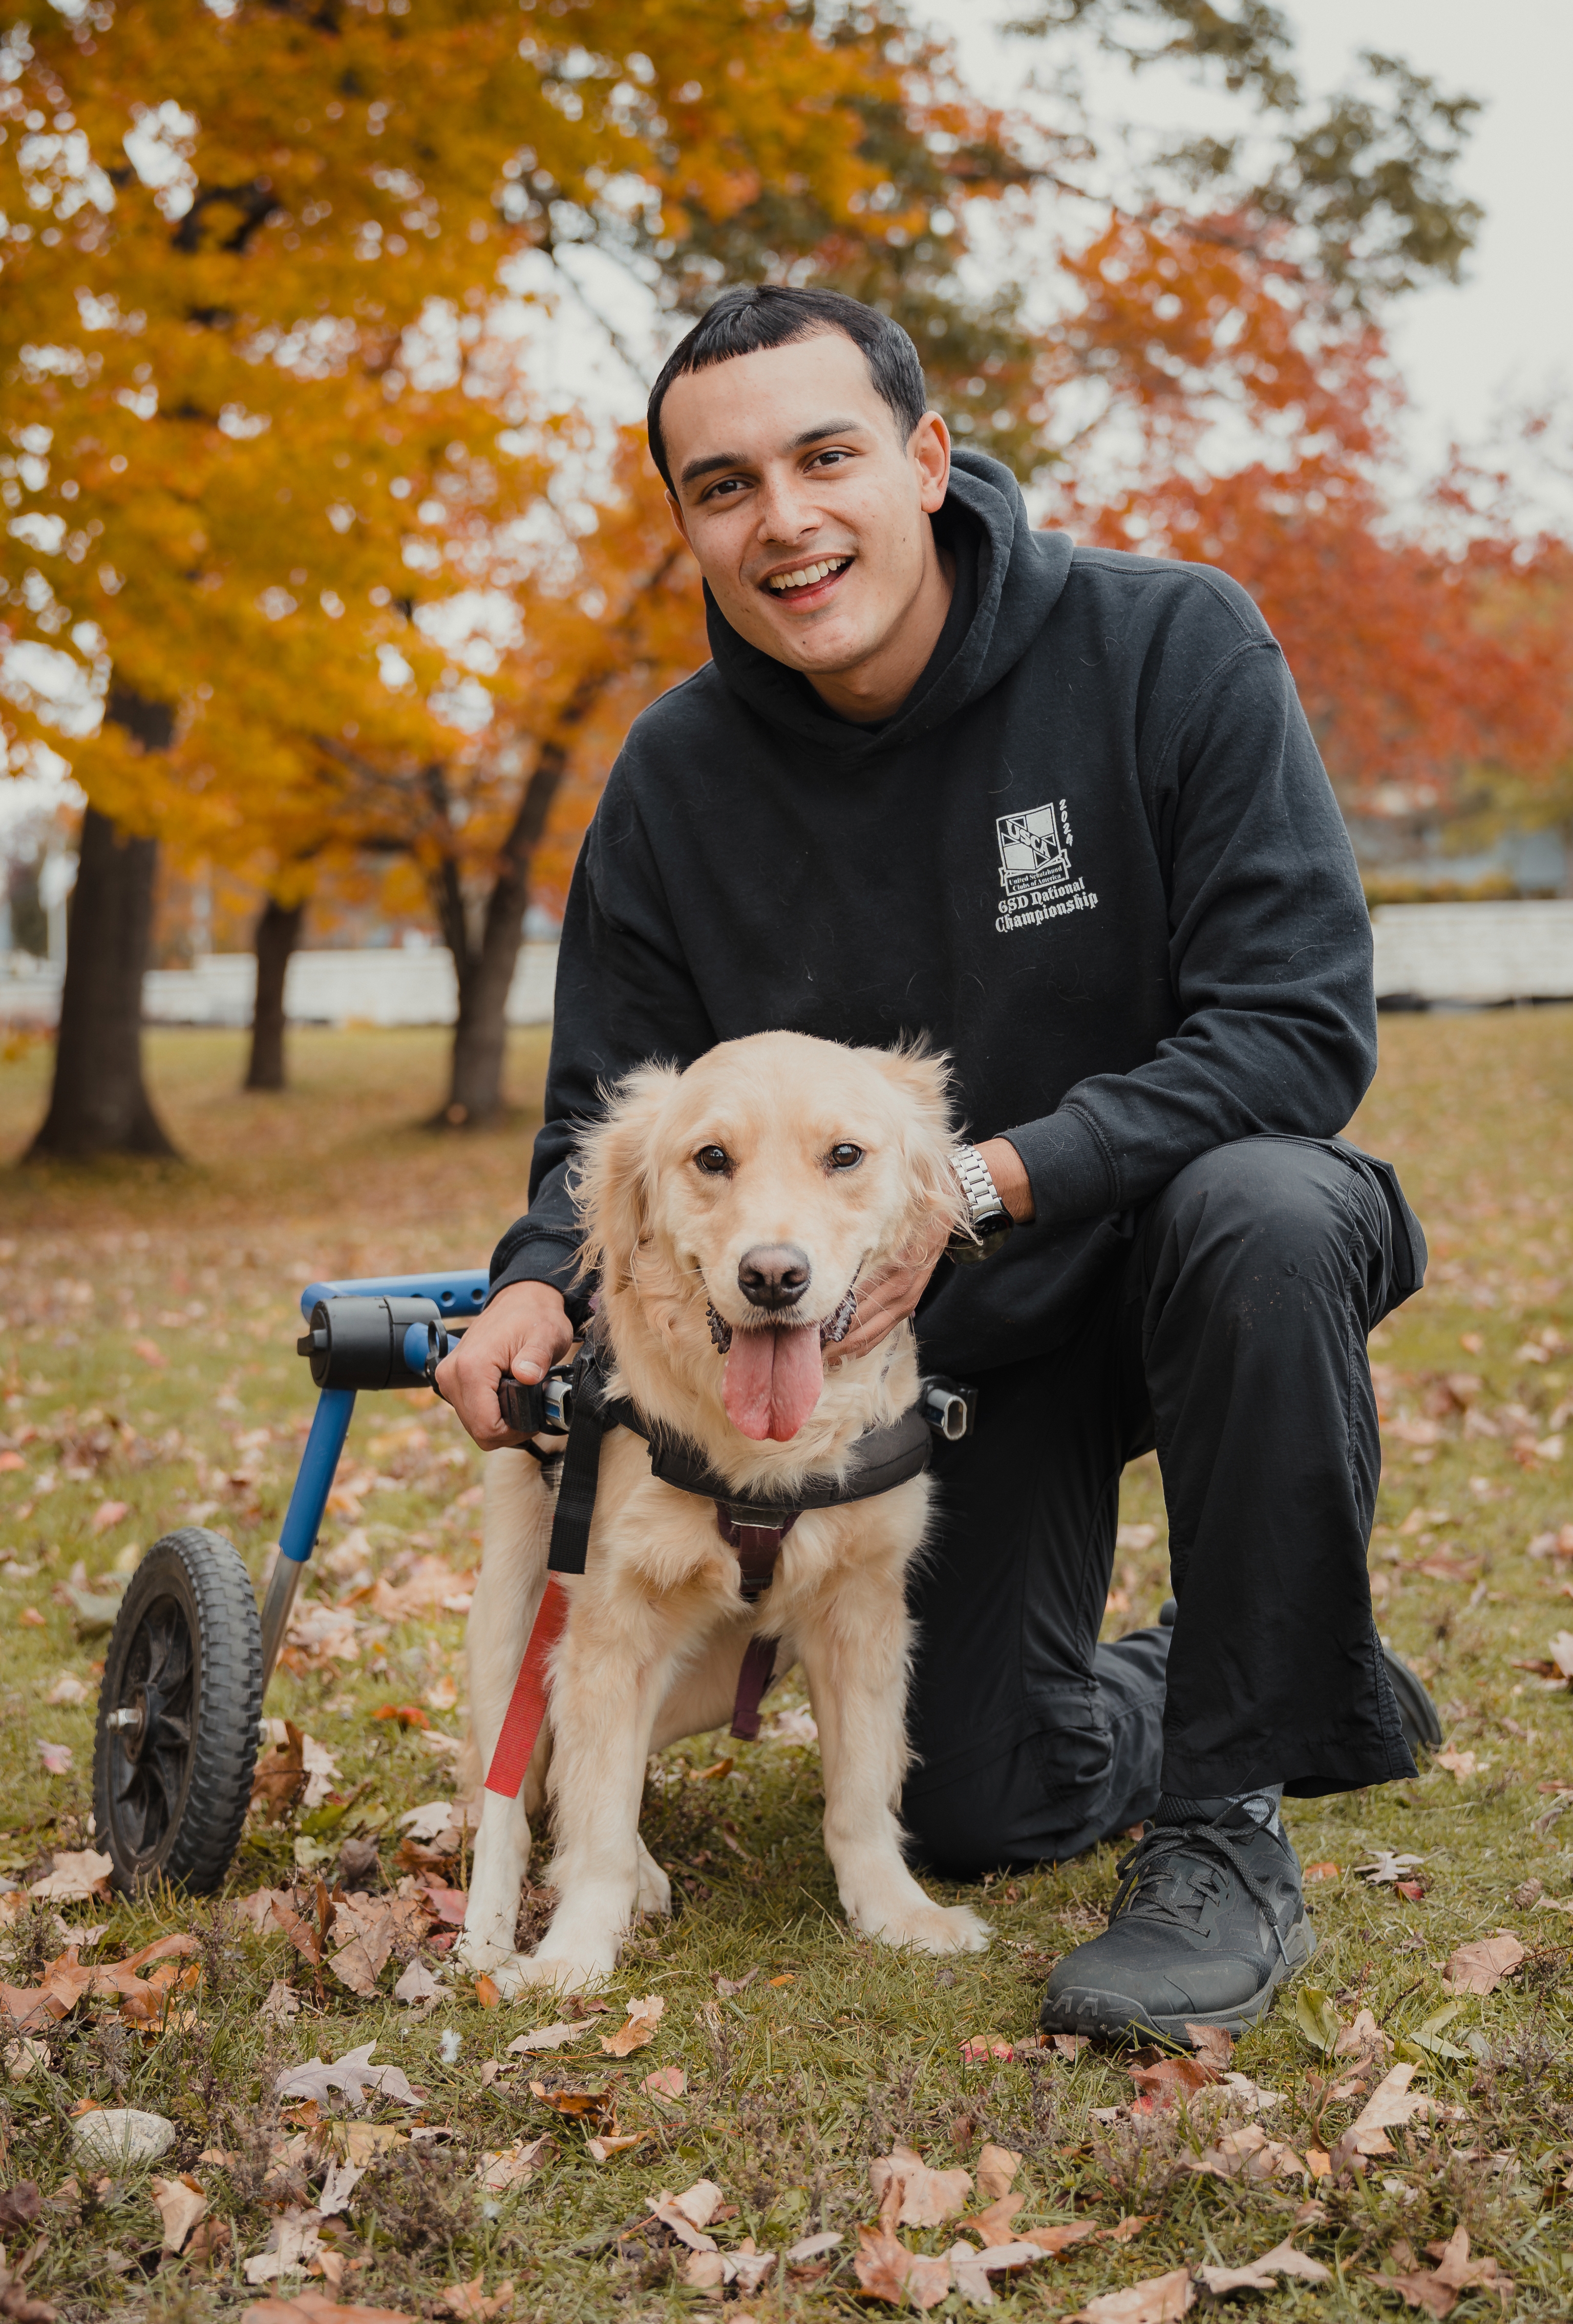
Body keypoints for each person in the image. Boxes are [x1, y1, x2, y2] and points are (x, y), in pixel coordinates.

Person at [438, 283, 1439, 2044]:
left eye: (827, 457)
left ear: (926, 458)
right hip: (922, 1361)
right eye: (726, 485)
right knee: (981, 1800)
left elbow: (1300, 1030)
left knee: (1267, 1204)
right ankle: (1251, 1677)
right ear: (690, 523)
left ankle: (1226, 1824)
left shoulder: (1173, 648)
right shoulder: (672, 778)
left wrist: (983, 1188)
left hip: (1183, 1268)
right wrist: (534, 1277)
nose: (786, 520)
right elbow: (610, 1104)